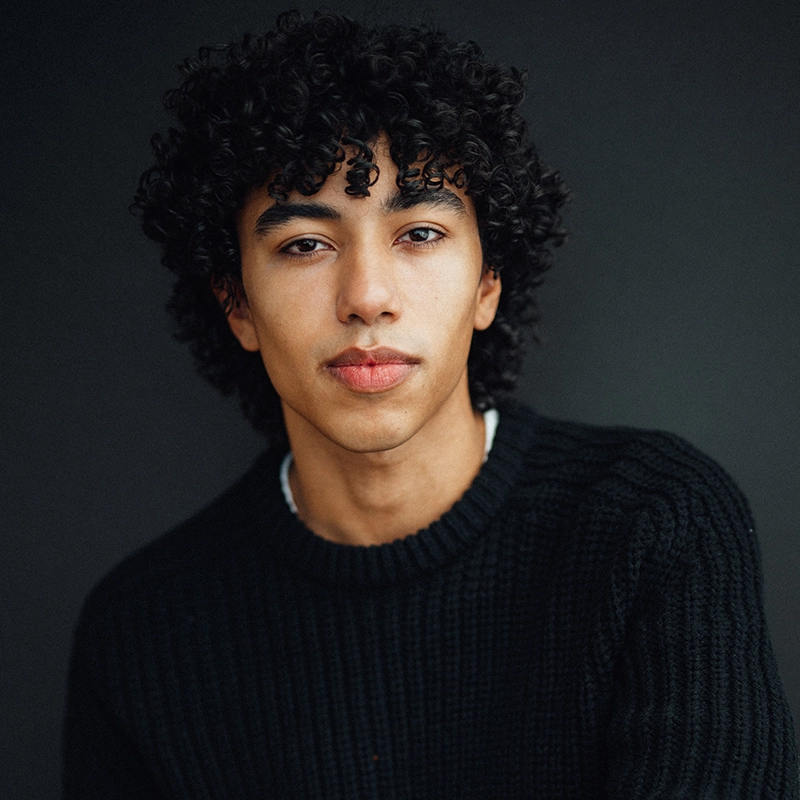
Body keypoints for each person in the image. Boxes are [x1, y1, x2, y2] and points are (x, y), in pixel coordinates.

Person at [63, 10, 798, 798]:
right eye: (305, 244)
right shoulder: (142, 634)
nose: (368, 297)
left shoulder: (655, 526)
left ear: (489, 283)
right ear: (237, 305)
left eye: (418, 233)